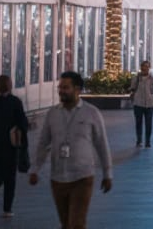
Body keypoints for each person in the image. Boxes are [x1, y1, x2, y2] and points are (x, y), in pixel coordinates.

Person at [29, 72, 112, 229]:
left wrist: (108, 174)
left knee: (76, 224)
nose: (61, 91)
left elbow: (102, 144)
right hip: (58, 178)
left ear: (77, 89)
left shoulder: (91, 113)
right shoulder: (52, 114)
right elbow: (43, 143)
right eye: (60, 87)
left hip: (82, 177)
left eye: (66, 87)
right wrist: (35, 169)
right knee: (66, 223)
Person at [0, 74, 27, 218]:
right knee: (9, 178)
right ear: (10, 85)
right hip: (10, 146)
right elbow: (22, 123)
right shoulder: (15, 102)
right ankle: (7, 209)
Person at [128, 59, 153, 147]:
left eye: (147, 66)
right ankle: (139, 140)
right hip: (138, 103)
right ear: (141, 67)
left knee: (148, 123)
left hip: (150, 104)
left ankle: (148, 141)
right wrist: (132, 92)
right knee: (138, 123)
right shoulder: (136, 78)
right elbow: (132, 88)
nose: (145, 68)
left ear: (149, 68)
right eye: (143, 66)